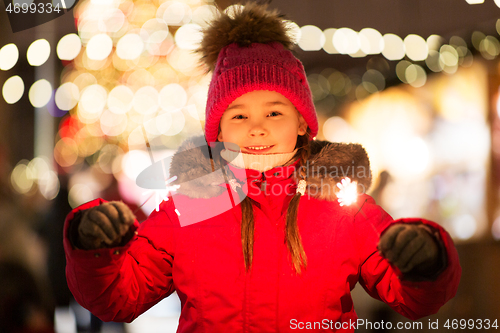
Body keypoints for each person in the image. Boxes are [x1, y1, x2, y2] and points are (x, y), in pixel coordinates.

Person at [64, 3, 461, 332]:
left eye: (274, 111)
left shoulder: (341, 206)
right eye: (238, 116)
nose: (257, 127)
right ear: (217, 130)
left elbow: (411, 298)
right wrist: (94, 249)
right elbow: (117, 298)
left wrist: (426, 261)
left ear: (302, 121)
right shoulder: (191, 207)